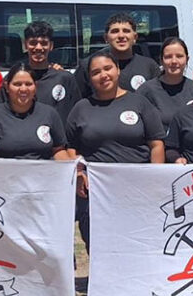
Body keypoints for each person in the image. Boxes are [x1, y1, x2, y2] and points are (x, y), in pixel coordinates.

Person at [0, 63, 76, 296]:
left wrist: (74, 170)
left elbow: (58, 151)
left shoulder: (49, 114)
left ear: (36, 88)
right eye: (17, 84)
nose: (23, 89)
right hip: (11, 202)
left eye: (28, 84)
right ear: (7, 88)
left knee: (56, 255)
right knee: (20, 258)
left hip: (46, 200)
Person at [66, 50, 166, 251]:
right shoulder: (81, 108)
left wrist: (155, 178)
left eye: (107, 68)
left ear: (118, 69)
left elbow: (156, 144)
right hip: (97, 192)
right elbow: (69, 147)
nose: (103, 75)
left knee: (138, 244)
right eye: (96, 72)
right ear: (89, 78)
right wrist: (79, 173)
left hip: (137, 189)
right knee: (99, 246)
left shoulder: (139, 102)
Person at [0, 21, 81, 123]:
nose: (38, 48)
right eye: (33, 43)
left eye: (44, 43)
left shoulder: (65, 79)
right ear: (25, 44)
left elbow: (78, 115)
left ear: (51, 46)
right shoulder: (12, 80)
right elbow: (1, 116)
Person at [74, 12, 161, 98]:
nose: (121, 36)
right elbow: (76, 101)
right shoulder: (88, 66)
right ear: (106, 38)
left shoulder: (149, 66)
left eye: (126, 31)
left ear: (135, 37)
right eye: (115, 31)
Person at [136, 37, 193, 131]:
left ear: (187, 59)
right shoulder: (147, 90)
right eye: (168, 57)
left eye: (179, 56)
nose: (174, 61)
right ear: (161, 60)